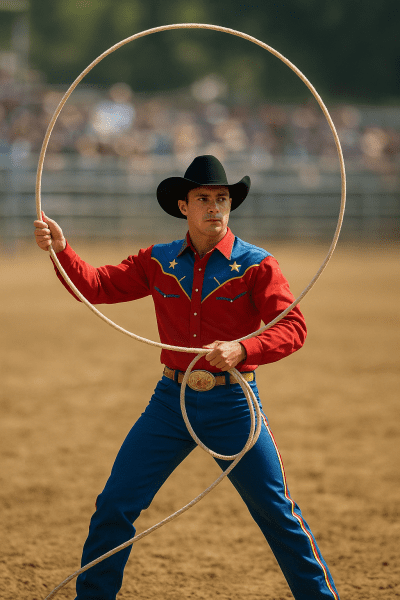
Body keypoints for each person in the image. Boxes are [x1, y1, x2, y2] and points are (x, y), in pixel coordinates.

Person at [34, 155, 340, 600]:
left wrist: (243, 348)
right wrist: (62, 250)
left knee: (276, 512)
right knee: (115, 505)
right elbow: (96, 286)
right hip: (170, 403)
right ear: (183, 206)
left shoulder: (258, 265)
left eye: (222, 198)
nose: (215, 207)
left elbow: (293, 328)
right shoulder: (157, 261)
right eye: (203, 199)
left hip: (235, 403)